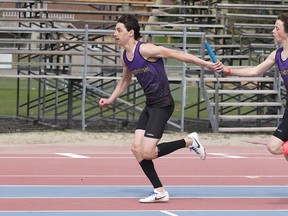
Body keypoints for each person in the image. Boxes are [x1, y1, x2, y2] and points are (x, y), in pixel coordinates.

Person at [99, 14, 223, 203]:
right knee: (136, 148)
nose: (115, 34)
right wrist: (110, 99)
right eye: (115, 30)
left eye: (119, 30)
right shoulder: (125, 56)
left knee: (148, 152)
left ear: (130, 33)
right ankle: (160, 191)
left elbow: (178, 55)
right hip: (150, 106)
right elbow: (125, 80)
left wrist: (206, 64)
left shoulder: (146, 49)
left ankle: (190, 142)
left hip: (163, 104)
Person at [218, 12, 288, 161]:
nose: (273, 31)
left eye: (277, 28)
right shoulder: (277, 54)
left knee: (274, 147)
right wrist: (229, 70)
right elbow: (254, 70)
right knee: (286, 154)